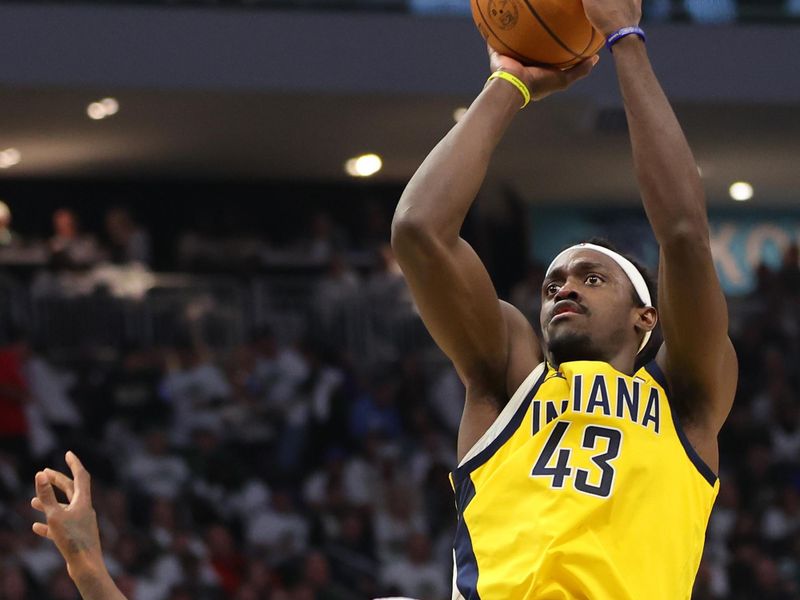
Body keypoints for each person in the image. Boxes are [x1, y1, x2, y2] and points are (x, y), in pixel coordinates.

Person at [390, 0, 736, 598]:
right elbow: (419, 230)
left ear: (645, 316)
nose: (565, 288)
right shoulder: (507, 380)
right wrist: (508, 83)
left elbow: (682, 233)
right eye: (553, 285)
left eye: (592, 278)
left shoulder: (686, 399)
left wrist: (625, 39)